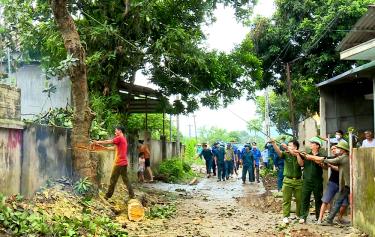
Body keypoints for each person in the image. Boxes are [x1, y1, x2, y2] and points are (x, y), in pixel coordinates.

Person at [306, 141, 350, 226]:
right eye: (333, 149)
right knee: (333, 201)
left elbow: (325, 160)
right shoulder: (345, 157)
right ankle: (325, 219)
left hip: (345, 184)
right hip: (338, 183)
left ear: (343, 150)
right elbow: (325, 163)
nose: (336, 150)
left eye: (338, 148)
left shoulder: (343, 158)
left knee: (339, 203)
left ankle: (330, 220)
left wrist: (312, 157)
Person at [93, 126, 135, 200]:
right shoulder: (123, 139)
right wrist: (104, 148)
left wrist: (97, 142)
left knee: (113, 180)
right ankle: (132, 195)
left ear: (120, 131)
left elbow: (108, 142)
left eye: (116, 131)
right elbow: (114, 148)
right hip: (124, 163)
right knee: (126, 180)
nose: (115, 132)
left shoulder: (120, 138)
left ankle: (107, 196)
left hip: (119, 163)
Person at [271, 139, 304, 224]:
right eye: (288, 145)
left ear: (295, 147)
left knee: (299, 199)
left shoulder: (300, 154)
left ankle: (299, 215)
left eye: (290, 145)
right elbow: (279, 152)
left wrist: (297, 155)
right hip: (287, 181)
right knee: (286, 199)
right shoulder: (286, 154)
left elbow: (301, 164)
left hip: (298, 181)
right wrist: (274, 144)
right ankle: (286, 216)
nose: (288, 147)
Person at [316, 145, 348, 224]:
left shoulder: (344, 158)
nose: (333, 150)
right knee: (325, 200)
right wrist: (323, 165)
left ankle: (339, 218)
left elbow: (339, 169)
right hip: (333, 182)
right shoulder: (330, 158)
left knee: (344, 203)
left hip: (343, 184)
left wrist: (330, 165)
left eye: (335, 148)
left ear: (340, 149)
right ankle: (320, 219)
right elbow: (326, 167)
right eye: (332, 149)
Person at [299, 137, 325, 224]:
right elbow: (301, 164)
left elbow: (324, 166)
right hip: (306, 180)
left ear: (317, 146)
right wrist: (298, 154)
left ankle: (318, 217)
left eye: (312, 143)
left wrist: (313, 158)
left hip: (317, 181)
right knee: (305, 198)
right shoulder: (306, 155)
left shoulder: (321, 156)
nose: (310, 144)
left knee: (318, 199)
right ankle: (303, 216)